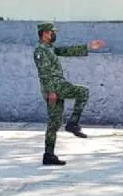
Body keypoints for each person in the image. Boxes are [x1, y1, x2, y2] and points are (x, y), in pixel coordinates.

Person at [33, 22, 104, 166]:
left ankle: (49, 155)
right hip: (55, 87)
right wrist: (51, 92)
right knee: (83, 92)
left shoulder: (49, 48)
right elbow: (44, 73)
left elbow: (66, 51)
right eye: (52, 32)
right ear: (45, 33)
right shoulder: (40, 50)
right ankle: (72, 124)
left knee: (54, 122)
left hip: (56, 87)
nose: (54, 34)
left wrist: (89, 47)